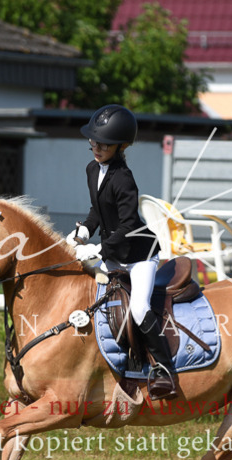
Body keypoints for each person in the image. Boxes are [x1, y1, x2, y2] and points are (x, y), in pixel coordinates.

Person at [67, 104, 177, 401]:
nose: (97, 147)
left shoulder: (124, 178)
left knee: (139, 308)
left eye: (103, 144)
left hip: (140, 255)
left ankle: (165, 371)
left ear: (121, 146)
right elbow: (97, 210)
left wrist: (98, 248)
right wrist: (84, 231)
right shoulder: (92, 169)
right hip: (114, 252)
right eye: (94, 141)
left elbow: (128, 224)